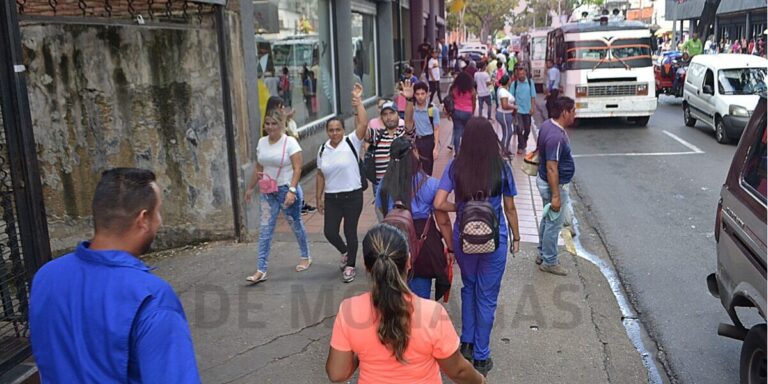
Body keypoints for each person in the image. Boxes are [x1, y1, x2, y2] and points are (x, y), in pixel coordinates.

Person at [29, 168, 201, 382]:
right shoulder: (151, 297)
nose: (160, 221)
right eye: (158, 212)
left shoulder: (46, 277)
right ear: (143, 219)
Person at [325, 224, 486, 384]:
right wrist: (480, 381)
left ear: (368, 267)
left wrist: (360, 352)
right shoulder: (432, 313)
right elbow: (458, 371)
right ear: (409, 261)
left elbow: (337, 373)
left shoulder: (349, 310)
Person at [434, 117, 521, 376]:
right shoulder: (502, 168)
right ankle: (482, 357)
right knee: (487, 297)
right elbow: (510, 208)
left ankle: (467, 344)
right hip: (495, 240)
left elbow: (439, 202)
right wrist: (516, 237)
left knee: (469, 287)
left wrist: (460, 207)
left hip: (465, 239)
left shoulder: (456, 166)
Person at [375, 137, 454, 299]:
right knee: (420, 297)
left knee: (396, 296)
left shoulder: (383, 185)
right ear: (414, 153)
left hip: (393, 245)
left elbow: (381, 213)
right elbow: (443, 221)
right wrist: (451, 248)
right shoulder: (431, 184)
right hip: (422, 247)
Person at [245, 110, 311, 283]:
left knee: (295, 224)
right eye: (267, 123)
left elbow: (298, 168)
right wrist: (250, 188)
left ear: (281, 124)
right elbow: (259, 167)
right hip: (268, 192)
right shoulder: (261, 142)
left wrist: (292, 190)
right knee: (265, 229)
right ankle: (261, 269)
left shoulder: (290, 143)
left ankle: (306, 256)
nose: (270, 127)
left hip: (285, 189)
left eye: (274, 123)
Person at [316, 84, 368, 284]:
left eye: (338, 129)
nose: (335, 133)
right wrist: (319, 197)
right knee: (329, 231)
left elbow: (363, 123)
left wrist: (358, 101)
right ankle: (345, 251)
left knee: (350, 231)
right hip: (333, 197)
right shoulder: (322, 150)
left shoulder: (351, 141)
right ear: (327, 131)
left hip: (353, 195)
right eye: (331, 130)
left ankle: (351, 266)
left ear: (343, 130)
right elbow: (320, 175)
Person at [535, 96, 577, 276]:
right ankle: (550, 261)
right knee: (553, 223)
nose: (575, 114)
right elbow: (552, 168)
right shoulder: (555, 137)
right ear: (564, 112)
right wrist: (556, 196)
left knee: (547, 218)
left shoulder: (547, 125)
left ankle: (542, 253)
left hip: (546, 182)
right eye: (573, 110)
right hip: (553, 185)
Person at [367, 100, 415, 221]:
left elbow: (409, 121)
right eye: (385, 114)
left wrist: (409, 101)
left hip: (402, 186)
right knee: (384, 221)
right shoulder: (376, 135)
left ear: (398, 114)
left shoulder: (404, 133)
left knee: (403, 220)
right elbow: (362, 129)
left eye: (392, 113)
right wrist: (357, 106)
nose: (389, 117)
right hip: (381, 187)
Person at [404, 81, 441, 176]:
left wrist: (436, 148)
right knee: (413, 169)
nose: (420, 96)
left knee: (427, 169)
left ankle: (426, 188)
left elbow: (436, 129)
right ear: (414, 95)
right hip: (415, 140)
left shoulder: (433, 110)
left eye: (422, 93)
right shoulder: (411, 109)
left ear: (428, 94)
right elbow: (407, 122)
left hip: (428, 141)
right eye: (417, 94)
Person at [449, 72, 476, 155]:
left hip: (456, 112)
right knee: (467, 132)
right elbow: (474, 102)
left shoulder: (454, 89)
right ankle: (466, 151)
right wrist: (472, 112)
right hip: (468, 112)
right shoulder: (471, 90)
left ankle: (457, 152)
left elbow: (451, 100)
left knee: (457, 132)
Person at [511, 65, 536, 155]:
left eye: (523, 73)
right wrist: (513, 108)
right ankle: (520, 146)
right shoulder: (514, 84)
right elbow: (511, 97)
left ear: (525, 73)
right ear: (517, 75)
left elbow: (533, 96)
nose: (521, 75)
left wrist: (533, 107)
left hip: (527, 110)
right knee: (519, 129)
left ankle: (524, 141)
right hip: (518, 111)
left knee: (527, 129)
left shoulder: (530, 82)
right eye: (519, 74)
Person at [496, 75, 517, 158]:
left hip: (506, 114)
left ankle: (505, 148)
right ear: (508, 81)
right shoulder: (503, 92)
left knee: (508, 132)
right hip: (504, 114)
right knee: (508, 133)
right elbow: (504, 105)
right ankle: (503, 151)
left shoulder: (502, 89)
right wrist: (514, 107)